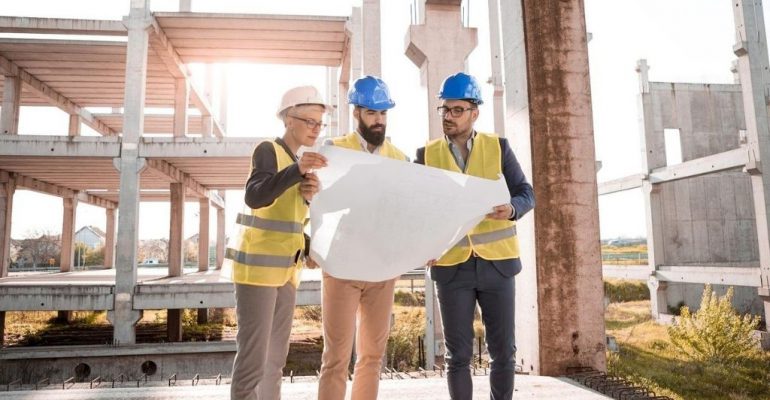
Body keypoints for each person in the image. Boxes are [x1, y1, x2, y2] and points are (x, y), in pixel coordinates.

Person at [415, 72, 535, 400]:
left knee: (503, 353)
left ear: (474, 112)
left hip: (498, 266)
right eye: (445, 110)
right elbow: (416, 210)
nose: (449, 117)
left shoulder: (499, 147)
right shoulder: (426, 155)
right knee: (457, 357)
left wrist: (511, 209)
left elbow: (526, 193)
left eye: (457, 110)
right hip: (452, 267)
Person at [224, 85, 330, 400]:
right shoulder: (268, 150)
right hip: (256, 273)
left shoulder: (299, 164)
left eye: (319, 123)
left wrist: (310, 203)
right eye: (309, 121)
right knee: (253, 362)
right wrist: (296, 171)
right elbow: (255, 196)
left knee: (274, 362)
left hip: (286, 273)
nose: (315, 128)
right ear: (288, 119)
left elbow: (290, 224)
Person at [317, 76, 408, 400]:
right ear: (357, 112)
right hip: (342, 268)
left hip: (382, 270)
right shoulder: (334, 151)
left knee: (371, 357)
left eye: (383, 113)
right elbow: (317, 203)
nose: (379, 120)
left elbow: (406, 212)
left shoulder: (399, 158)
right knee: (336, 358)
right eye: (372, 113)